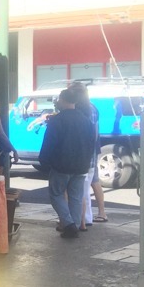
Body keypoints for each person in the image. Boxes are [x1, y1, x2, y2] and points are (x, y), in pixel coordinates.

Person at [39, 88, 95, 239]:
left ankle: (69, 224)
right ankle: (74, 225)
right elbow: (92, 143)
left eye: (59, 99)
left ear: (63, 100)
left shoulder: (57, 120)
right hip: (81, 166)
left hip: (61, 165)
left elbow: (49, 143)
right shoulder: (86, 120)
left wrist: (44, 161)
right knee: (76, 197)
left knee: (56, 194)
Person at [68, 82, 108, 229]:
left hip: (83, 155)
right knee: (88, 185)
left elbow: (85, 135)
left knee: (80, 189)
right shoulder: (92, 108)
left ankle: (83, 220)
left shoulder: (81, 109)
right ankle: (89, 217)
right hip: (91, 153)